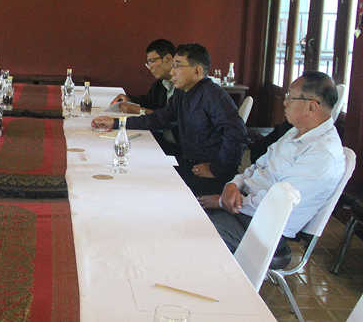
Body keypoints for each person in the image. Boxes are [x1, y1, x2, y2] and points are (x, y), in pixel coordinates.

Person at [199, 71, 344, 254]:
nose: (285, 102)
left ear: (312, 106)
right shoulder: (295, 132)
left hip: (264, 228)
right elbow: (257, 166)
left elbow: (276, 206)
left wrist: (222, 202)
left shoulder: (323, 154)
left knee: (192, 232)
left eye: (290, 97)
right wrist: (233, 184)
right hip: (244, 208)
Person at [92, 44, 247, 195]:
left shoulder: (213, 95)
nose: (172, 72)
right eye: (172, 66)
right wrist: (117, 123)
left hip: (209, 173)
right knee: (133, 167)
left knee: (142, 183)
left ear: (197, 70)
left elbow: (237, 133)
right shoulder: (182, 92)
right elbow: (159, 119)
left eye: (177, 66)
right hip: (187, 161)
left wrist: (216, 169)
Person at [109, 39, 176, 115]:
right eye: (148, 63)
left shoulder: (184, 86)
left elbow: (173, 118)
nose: (150, 67)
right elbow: (147, 102)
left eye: (152, 61)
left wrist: (141, 111)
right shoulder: (159, 85)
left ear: (168, 58)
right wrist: (129, 100)